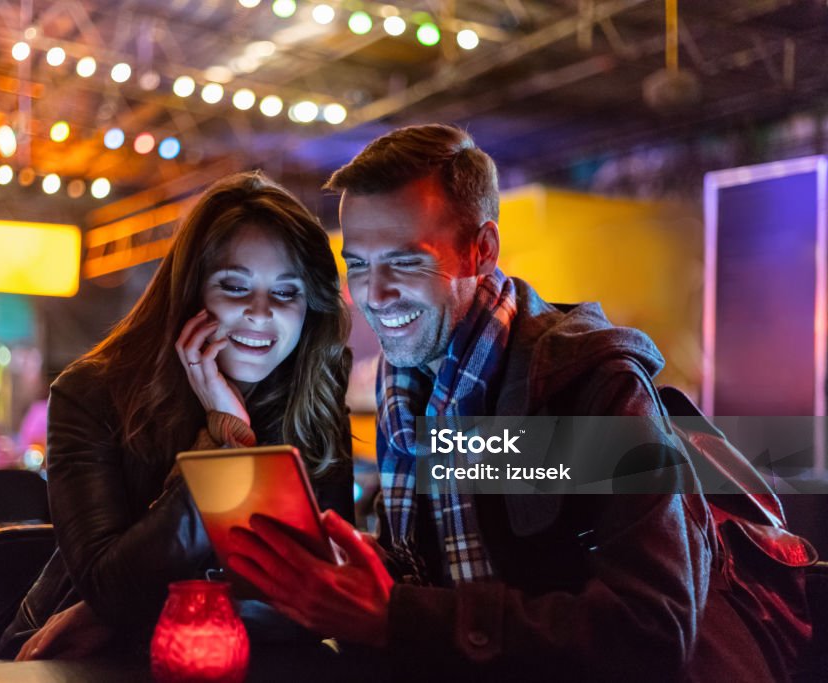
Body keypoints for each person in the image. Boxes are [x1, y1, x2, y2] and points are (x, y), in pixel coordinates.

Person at [227, 124, 801, 681]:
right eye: (358, 266)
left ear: (482, 250)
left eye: (405, 262)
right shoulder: (406, 388)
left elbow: (650, 629)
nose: (375, 296)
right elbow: (447, 569)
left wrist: (392, 614)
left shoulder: (595, 386)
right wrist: (362, 567)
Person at [0, 171, 354, 660]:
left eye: (287, 293)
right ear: (191, 292)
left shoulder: (315, 399)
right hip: (87, 665)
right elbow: (110, 589)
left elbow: (312, 603)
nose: (262, 313)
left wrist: (139, 606)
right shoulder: (90, 394)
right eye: (235, 286)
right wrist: (225, 442)